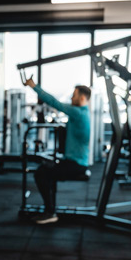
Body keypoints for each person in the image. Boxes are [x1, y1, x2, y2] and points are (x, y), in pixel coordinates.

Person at [22, 77, 91, 224]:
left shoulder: (78, 113)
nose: (72, 98)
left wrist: (34, 87)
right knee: (46, 170)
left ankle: (50, 212)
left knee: (41, 174)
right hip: (74, 161)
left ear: (82, 97)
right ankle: (50, 209)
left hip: (76, 164)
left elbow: (55, 103)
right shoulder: (83, 113)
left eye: (74, 95)